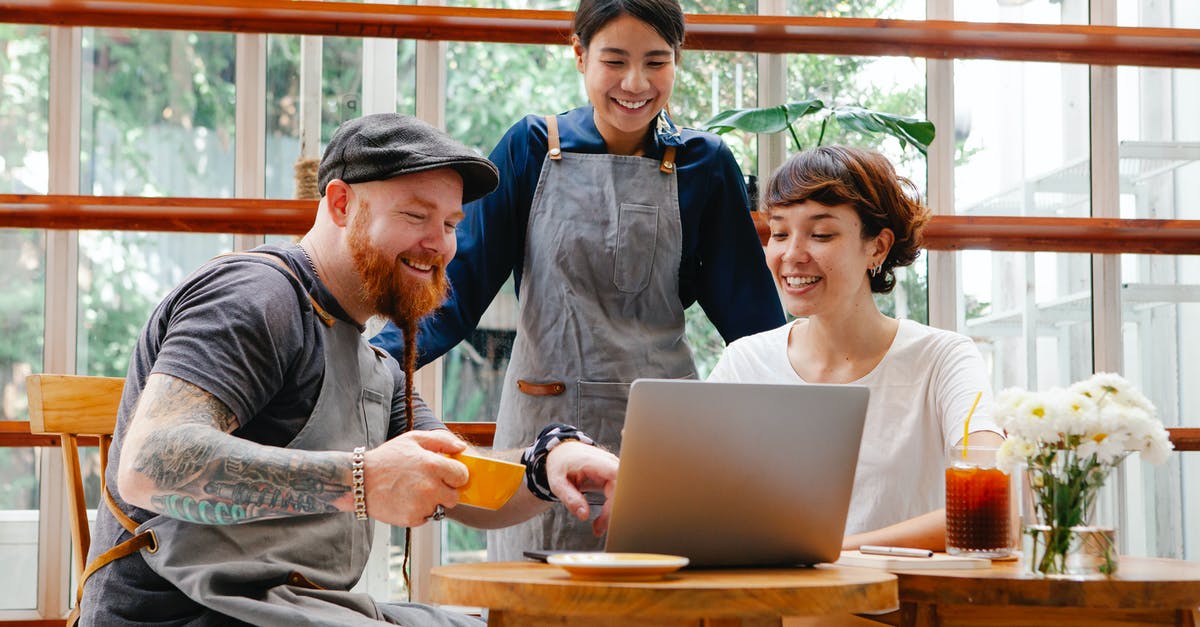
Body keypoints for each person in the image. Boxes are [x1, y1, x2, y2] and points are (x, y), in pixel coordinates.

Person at [78, 113, 618, 626]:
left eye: (451, 223)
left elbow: (464, 482)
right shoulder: (255, 298)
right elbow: (149, 464)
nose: (440, 244)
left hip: (298, 611)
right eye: (415, 215)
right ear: (340, 203)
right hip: (184, 616)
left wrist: (546, 463)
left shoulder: (372, 362)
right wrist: (363, 480)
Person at [371, 0, 784, 561]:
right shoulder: (531, 147)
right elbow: (456, 292)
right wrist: (366, 363)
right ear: (579, 54)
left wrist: (798, 430)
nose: (635, 83)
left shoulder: (705, 164)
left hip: (665, 435)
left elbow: (752, 323)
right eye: (614, 60)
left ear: (677, 61)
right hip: (545, 434)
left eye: (656, 62)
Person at [707, 145, 1004, 551]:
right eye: (778, 233)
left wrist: (827, 554)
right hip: (772, 608)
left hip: (900, 607)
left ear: (877, 247)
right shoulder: (745, 362)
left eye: (821, 234)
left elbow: (994, 508)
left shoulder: (943, 359)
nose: (791, 255)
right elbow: (699, 504)